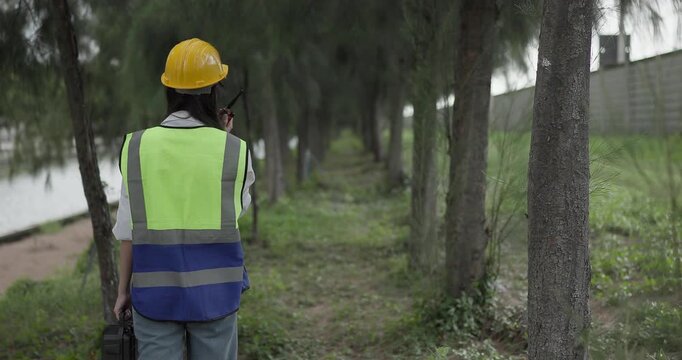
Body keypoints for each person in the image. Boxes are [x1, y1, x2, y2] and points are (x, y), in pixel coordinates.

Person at [112, 38, 255, 360]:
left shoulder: (136, 147)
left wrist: (123, 292)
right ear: (216, 88)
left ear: (169, 88)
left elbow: (127, 231)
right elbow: (235, 211)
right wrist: (223, 138)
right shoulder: (234, 151)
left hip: (153, 297)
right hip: (217, 296)